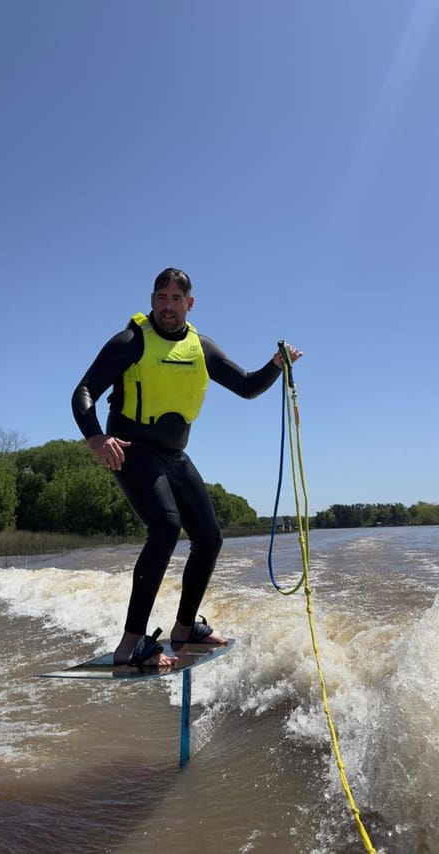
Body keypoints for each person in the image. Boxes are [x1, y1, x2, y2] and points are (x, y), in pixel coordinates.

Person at [71, 267, 302, 668]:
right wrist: (95, 437)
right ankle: (131, 644)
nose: (168, 306)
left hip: (174, 455)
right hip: (132, 448)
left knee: (210, 537)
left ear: (189, 304)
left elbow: (247, 386)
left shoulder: (202, 347)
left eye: (176, 299)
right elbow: (84, 391)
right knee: (164, 526)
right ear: (152, 300)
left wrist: (276, 365)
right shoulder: (131, 341)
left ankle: (182, 627)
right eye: (161, 298)